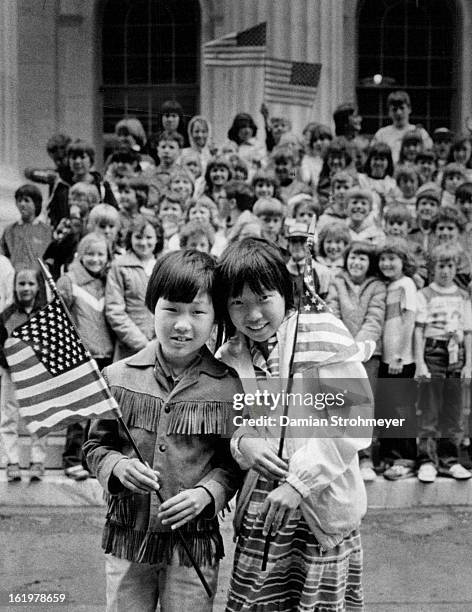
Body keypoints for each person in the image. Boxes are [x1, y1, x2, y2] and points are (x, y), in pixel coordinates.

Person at [215, 237, 372, 612]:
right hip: (263, 509)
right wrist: (242, 443)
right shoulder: (230, 356)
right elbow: (228, 422)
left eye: (263, 298)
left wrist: (299, 484)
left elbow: (352, 422)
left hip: (322, 504)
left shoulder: (322, 338)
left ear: (285, 294)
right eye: (238, 303)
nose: (252, 315)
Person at [83, 250, 243, 612]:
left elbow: (232, 461)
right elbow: (94, 446)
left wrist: (207, 493)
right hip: (128, 539)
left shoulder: (227, 385)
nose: (182, 324)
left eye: (198, 312)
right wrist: (117, 467)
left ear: (216, 316)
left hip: (193, 545)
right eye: (171, 309)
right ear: (153, 307)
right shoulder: (117, 376)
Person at [57, 233, 114, 480]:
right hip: (81, 354)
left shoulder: (107, 282)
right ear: (80, 255)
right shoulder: (69, 281)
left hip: (106, 353)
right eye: (90, 253)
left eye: (100, 254)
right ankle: (71, 459)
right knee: (79, 411)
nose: (95, 259)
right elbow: (59, 319)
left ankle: (89, 460)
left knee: (98, 413)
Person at [327, 241, 387, 482]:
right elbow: (332, 312)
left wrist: (358, 350)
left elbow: (374, 319)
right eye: (353, 256)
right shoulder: (337, 281)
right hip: (340, 353)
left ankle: (365, 458)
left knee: (364, 406)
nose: (356, 262)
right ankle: (342, 459)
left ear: (370, 263)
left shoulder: (378, 287)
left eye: (363, 258)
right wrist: (343, 347)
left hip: (367, 355)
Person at [415, 244, 472, 483]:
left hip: (456, 356)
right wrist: (420, 363)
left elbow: (468, 332)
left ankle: (450, 461)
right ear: (432, 268)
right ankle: (427, 460)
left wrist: (468, 364)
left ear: (456, 268)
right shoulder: (425, 294)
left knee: (453, 409)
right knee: (430, 409)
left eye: (450, 266)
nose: (445, 271)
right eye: (441, 266)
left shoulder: (462, 296)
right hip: (433, 352)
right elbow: (418, 331)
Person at [376, 238, 418, 480]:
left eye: (392, 258)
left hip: (400, 360)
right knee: (388, 409)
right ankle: (390, 456)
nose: (387, 263)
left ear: (404, 261)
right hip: (386, 359)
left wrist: (400, 355)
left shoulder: (406, 284)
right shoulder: (388, 286)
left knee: (402, 410)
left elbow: (409, 320)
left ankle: (406, 458)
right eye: (383, 259)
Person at [0, 269, 47, 482]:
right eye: (21, 284)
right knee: (9, 416)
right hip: (11, 373)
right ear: (15, 287)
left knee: (41, 415)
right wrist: (10, 363)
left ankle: (38, 460)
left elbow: (51, 344)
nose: (26, 288)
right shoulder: (7, 315)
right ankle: (12, 460)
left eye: (30, 284)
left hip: (38, 374)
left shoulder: (46, 313)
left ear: (38, 286)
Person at [105, 215, 164, 361]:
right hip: (130, 349)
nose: (144, 243)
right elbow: (114, 310)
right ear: (130, 238)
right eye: (138, 237)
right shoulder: (120, 266)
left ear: (157, 238)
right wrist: (142, 343)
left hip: (162, 346)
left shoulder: (164, 265)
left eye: (149, 237)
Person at [0, 184, 52, 272]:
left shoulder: (46, 231)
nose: (22, 204)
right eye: (19, 200)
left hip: (37, 278)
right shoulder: (9, 230)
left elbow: (50, 257)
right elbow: (3, 256)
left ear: (36, 203)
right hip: (15, 277)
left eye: (26, 200)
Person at [372, 90, 432, 163]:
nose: (398, 112)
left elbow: (429, 156)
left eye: (402, 108)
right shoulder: (381, 134)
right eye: (394, 109)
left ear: (409, 109)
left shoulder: (420, 132)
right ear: (389, 112)